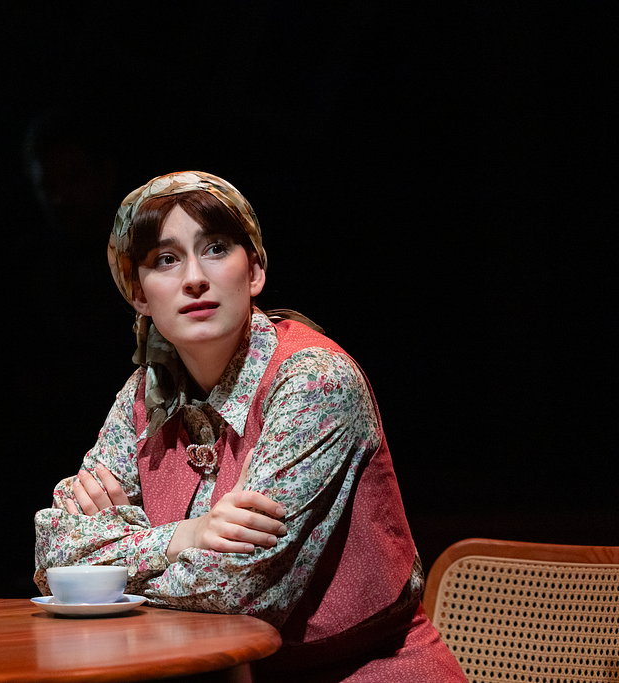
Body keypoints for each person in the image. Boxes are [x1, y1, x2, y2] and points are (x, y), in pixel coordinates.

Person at [33, 171, 465, 681]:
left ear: (255, 270)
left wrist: (111, 561)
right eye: (166, 260)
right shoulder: (143, 396)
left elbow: (238, 593)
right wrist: (184, 537)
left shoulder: (313, 381)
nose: (194, 277)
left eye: (215, 248)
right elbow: (55, 552)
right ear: (139, 296)